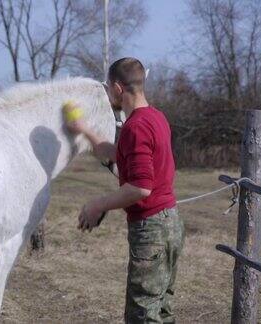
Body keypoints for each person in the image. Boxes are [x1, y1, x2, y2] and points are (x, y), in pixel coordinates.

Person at [66, 57, 185, 324]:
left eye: (108, 88)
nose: (108, 94)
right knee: (161, 309)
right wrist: (84, 130)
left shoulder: (136, 126)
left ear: (118, 89)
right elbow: (117, 154)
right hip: (171, 224)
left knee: (142, 315)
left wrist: (98, 205)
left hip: (151, 230)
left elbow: (141, 188)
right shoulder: (155, 117)